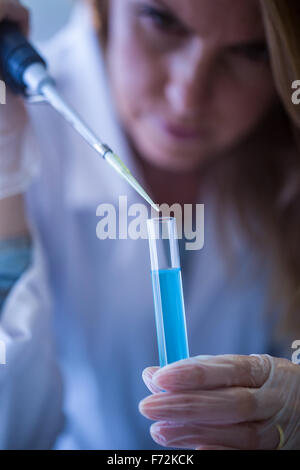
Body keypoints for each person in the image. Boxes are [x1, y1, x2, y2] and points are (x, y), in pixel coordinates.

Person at [0, 0, 299, 450]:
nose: (186, 98)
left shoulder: (286, 148)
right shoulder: (19, 133)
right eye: (162, 21)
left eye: (250, 51)